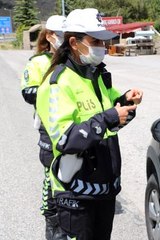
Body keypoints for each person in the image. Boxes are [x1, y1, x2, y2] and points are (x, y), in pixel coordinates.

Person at [36, 8, 143, 239]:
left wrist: (126, 102)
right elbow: (66, 139)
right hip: (75, 193)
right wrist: (109, 117)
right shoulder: (57, 83)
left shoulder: (95, 76)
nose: (102, 48)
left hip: (104, 187)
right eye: (95, 41)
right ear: (74, 42)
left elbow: (111, 120)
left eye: (104, 42)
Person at [20, 15, 67, 239]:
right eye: (62, 35)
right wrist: (55, 92)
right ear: (49, 36)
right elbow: (28, 93)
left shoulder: (73, 60)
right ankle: (53, 225)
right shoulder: (38, 62)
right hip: (49, 132)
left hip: (74, 131)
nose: (66, 39)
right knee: (52, 182)